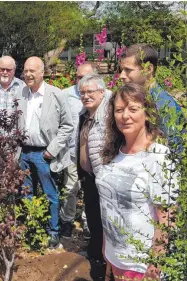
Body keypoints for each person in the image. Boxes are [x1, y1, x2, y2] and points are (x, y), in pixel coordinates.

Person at [98, 83, 178, 280]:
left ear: (147, 114)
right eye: (119, 110)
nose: (125, 116)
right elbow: (108, 205)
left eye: (133, 109)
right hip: (114, 257)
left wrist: (156, 264)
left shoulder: (159, 157)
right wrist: (107, 249)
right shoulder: (113, 152)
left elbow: (167, 218)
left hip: (141, 265)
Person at [17, 57, 74, 248]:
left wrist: (52, 150)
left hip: (44, 154)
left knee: (51, 194)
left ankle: (53, 231)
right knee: (26, 193)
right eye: (26, 71)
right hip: (24, 152)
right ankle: (32, 228)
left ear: (42, 72)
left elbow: (68, 125)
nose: (28, 74)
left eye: (33, 71)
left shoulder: (56, 95)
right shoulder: (21, 93)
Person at [75, 74, 112, 278]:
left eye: (90, 92)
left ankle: (104, 260)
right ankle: (95, 252)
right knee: (92, 215)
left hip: (103, 176)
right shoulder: (85, 114)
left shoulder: (108, 115)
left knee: (104, 218)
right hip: (89, 176)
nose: (86, 96)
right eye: (82, 92)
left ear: (102, 92)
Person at [60, 63, 100, 240]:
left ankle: (87, 222)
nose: (81, 81)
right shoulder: (65, 95)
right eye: (78, 77)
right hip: (72, 152)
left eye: (86, 77)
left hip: (94, 154)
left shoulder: (102, 95)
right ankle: (67, 220)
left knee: (92, 191)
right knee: (70, 188)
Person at [119, 43, 183, 148]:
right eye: (121, 70)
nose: (121, 76)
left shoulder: (164, 105)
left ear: (148, 69)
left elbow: (175, 151)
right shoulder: (137, 97)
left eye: (128, 70)